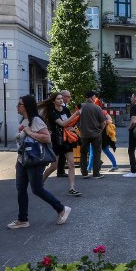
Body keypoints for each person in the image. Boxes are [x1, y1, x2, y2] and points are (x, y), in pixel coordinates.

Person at [8, 95, 71, 229]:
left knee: (37, 189)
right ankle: (22, 219)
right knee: (21, 189)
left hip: (35, 160)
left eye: (19, 104)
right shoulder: (25, 120)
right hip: (23, 160)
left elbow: (47, 138)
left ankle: (61, 209)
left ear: (26, 106)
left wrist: (30, 132)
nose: (17, 107)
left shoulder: (35, 120)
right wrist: (18, 160)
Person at [38, 91, 81, 196]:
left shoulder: (65, 109)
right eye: (58, 99)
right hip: (56, 140)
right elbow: (63, 123)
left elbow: (69, 123)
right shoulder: (52, 112)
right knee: (54, 166)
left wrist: (72, 128)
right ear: (53, 101)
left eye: (62, 98)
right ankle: (40, 182)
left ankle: (72, 188)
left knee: (71, 163)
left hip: (67, 139)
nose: (61, 100)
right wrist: (76, 113)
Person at [77, 90, 108, 179]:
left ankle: (84, 173)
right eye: (94, 96)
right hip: (96, 134)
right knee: (97, 153)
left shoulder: (80, 107)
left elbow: (75, 119)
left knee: (83, 153)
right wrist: (100, 130)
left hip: (84, 134)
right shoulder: (97, 108)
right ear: (92, 97)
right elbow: (103, 122)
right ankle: (96, 173)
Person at [56, 90, 73, 177]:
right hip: (59, 134)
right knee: (59, 153)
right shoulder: (56, 109)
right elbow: (63, 122)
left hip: (65, 133)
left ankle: (61, 170)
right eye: (68, 96)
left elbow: (68, 120)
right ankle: (59, 170)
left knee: (63, 152)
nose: (70, 98)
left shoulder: (65, 108)